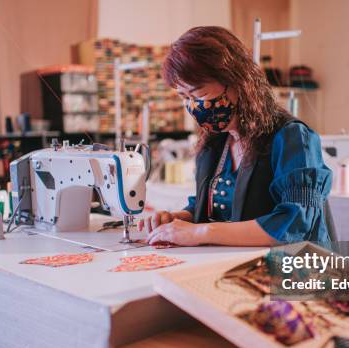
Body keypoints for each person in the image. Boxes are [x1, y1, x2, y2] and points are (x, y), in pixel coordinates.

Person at [139, 26, 331, 247]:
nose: (193, 106)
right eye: (184, 97)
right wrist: (182, 219)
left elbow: (295, 222)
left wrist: (202, 232)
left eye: (199, 94)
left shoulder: (292, 137)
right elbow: (218, 205)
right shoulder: (217, 142)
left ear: (238, 82)